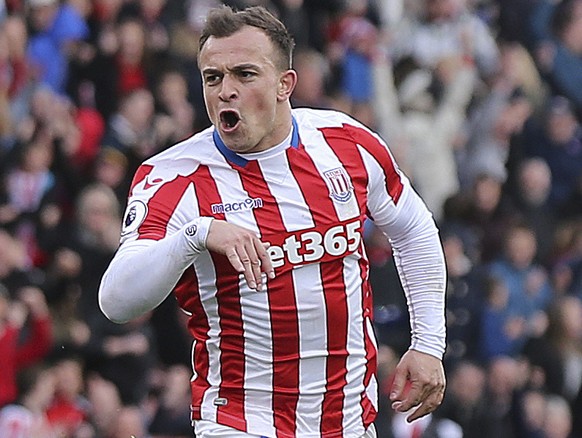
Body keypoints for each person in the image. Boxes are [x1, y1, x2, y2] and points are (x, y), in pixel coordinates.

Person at [98, 5, 447, 437]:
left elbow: (414, 230)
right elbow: (116, 301)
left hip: (348, 422)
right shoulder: (173, 176)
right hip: (240, 422)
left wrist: (429, 343)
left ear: (286, 84)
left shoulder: (346, 144)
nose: (226, 90)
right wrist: (196, 235)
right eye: (213, 77)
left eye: (244, 74)